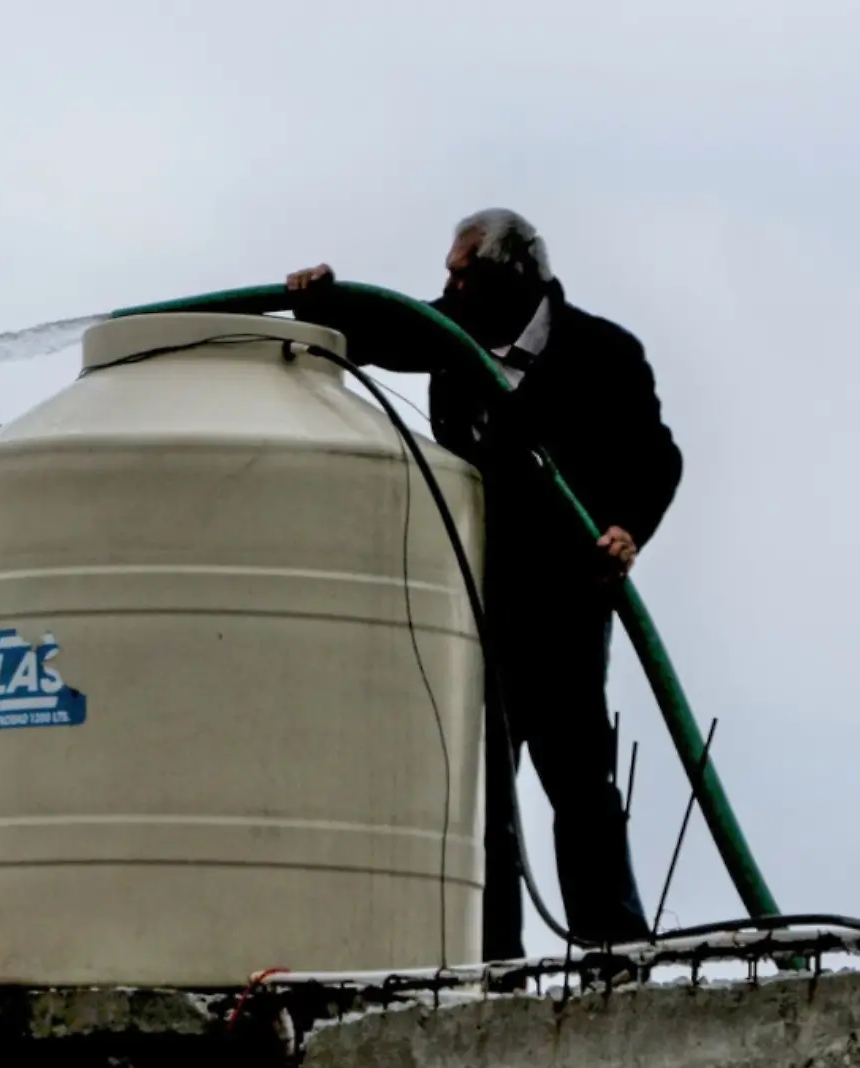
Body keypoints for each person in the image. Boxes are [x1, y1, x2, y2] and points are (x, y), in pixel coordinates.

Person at [284, 208, 683, 961]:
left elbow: (656, 458)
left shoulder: (602, 353)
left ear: (515, 275)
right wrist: (321, 300)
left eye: (463, 272)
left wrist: (627, 528)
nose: (448, 286)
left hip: (566, 603)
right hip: (476, 603)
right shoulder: (449, 336)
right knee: (483, 794)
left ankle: (613, 951)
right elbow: (378, 331)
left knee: (580, 783)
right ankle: (494, 959)